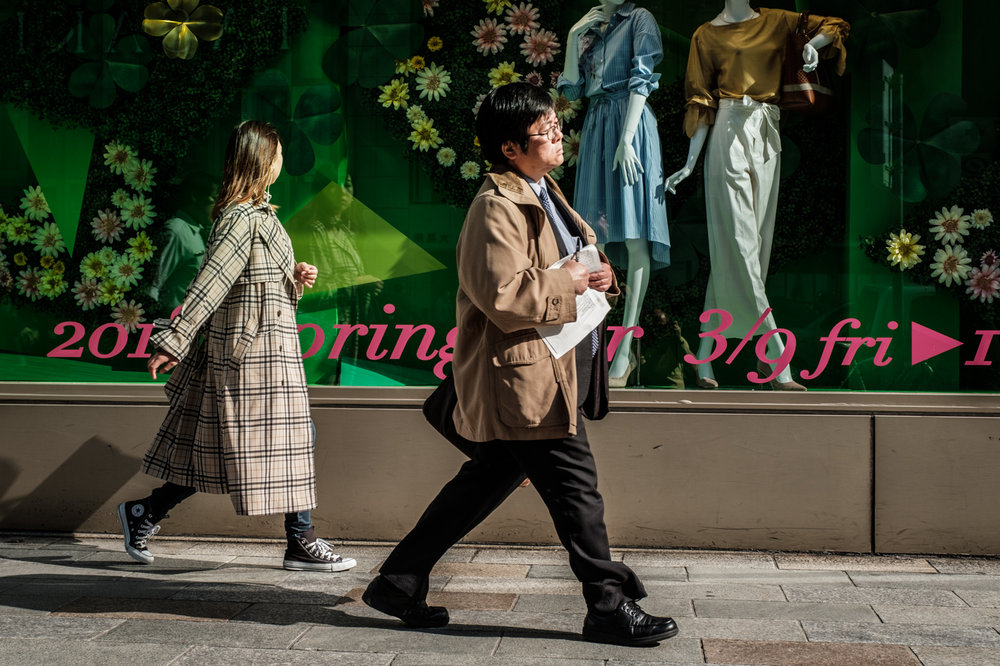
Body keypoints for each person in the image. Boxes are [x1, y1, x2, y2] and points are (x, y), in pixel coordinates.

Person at [362, 82, 678, 647]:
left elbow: (570, 264)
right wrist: (572, 280)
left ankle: (397, 580)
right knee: (577, 487)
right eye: (545, 129)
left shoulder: (545, 191)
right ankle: (607, 602)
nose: (558, 134)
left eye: (557, 124)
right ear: (510, 147)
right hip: (526, 377)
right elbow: (502, 294)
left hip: (554, 368)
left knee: (483, 483)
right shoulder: (495, 205)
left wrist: (600, 272)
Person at [117, 120, 356, 573]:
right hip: (251, 356)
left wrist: (294, 277)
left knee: (226, 447)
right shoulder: (242, 218)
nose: (283, 161)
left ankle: (145, 512)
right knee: (284, 441)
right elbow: (211, 282)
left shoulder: (260, 215)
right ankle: (300, 540)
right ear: (263, 160)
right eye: (280, 153)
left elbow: (252, 281)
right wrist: (173, 339)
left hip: (266, 350)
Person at [666, 1, 848, 390]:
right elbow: (701, 99)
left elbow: (836, 25)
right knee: (741, 243)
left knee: (749, 249)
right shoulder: (706, 34)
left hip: (767, 133)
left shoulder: (776, 20)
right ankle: (775, 357)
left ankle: (705, 355)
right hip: (727, 132)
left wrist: (812, 44)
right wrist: (689, 163)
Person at [559, 0, 670, 387]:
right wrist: (574, 37)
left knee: (636, 235)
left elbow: (643, 76)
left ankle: (623, 350)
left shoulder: (640, 18)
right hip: (596, 126)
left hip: (631, 127)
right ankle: (590, 347)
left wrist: (627, 137)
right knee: (590, 238)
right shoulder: (589, 28)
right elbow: (572, 91)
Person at [149, 171, 216, 313]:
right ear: (195, 197)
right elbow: (153, 286)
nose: (217, 207)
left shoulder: (198, 231)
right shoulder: (176, 231)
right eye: (214, 199)